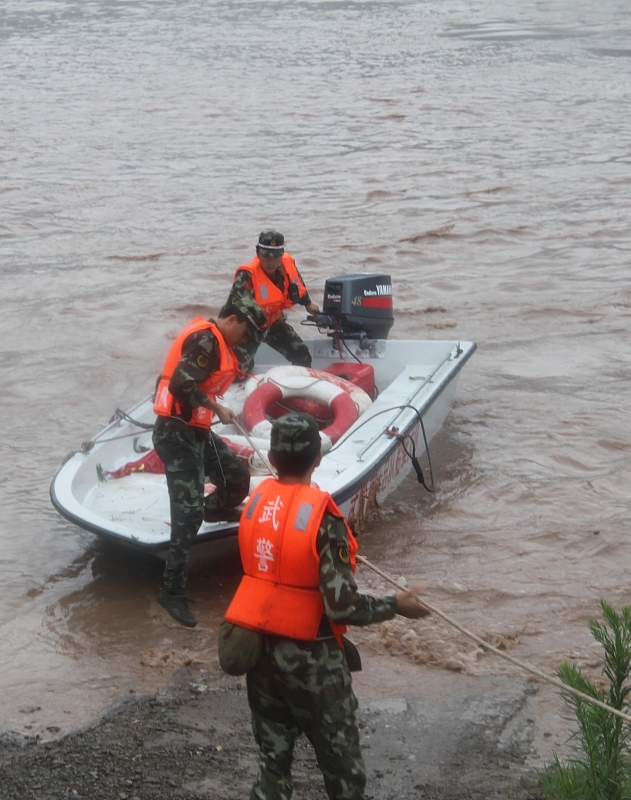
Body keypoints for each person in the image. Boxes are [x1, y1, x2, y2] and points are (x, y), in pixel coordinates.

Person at [224, 413, 430, 800]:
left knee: (273, 766)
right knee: (343, 772)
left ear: (270, 454)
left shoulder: (255, 504)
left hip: (259, 652)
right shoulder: (324, 518)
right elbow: (343, 607)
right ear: (317, 458)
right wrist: (397, 605)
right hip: (312, 660)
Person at [153, 300, 267, 628]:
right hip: (175, 436)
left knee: (236, 477)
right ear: (231, 319)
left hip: (197, 433)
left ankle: (213, 511)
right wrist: (217, 409)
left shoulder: (218, 342)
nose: (243, 340)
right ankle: (171, 591)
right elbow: (180, 384)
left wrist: (210, 412)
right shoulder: (206, 340)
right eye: (244, 332)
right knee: (187, 515)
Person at [221, 230, 321, 374]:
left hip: (274, 323)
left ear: (281, 254)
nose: (270, 262)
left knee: (302, 354)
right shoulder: (247, 274)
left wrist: (308, 303)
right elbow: (232, 304)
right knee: (240, 371)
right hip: (249, 329)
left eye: (275, 257)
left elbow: (297, 283)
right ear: (258, 252)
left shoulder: (287, 265)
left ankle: (297, 390)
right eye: (266, 256)